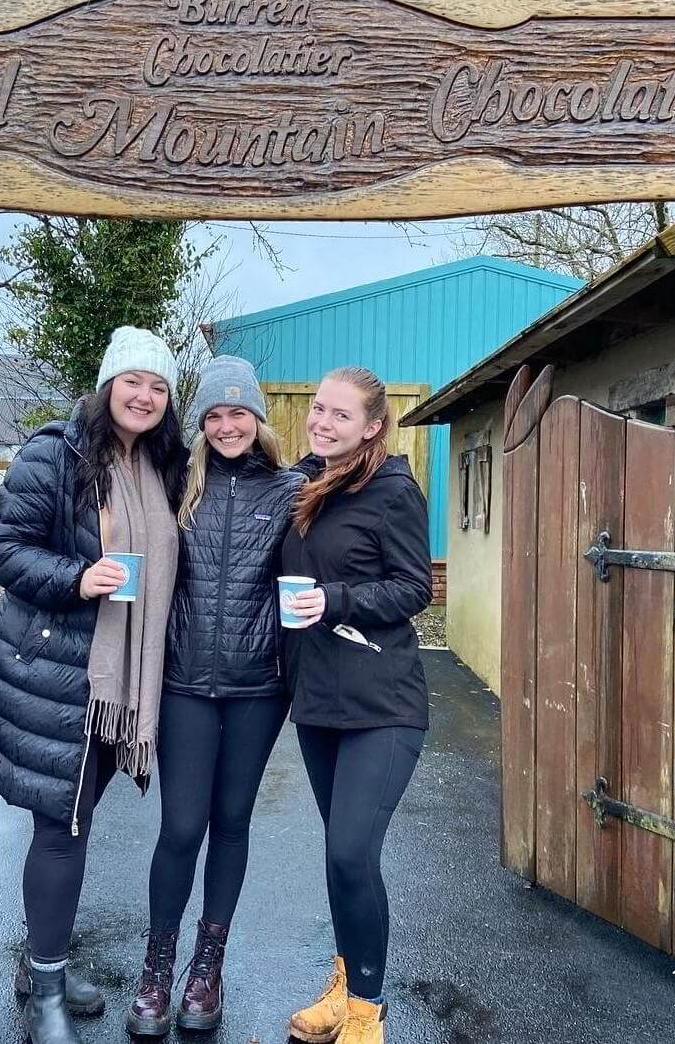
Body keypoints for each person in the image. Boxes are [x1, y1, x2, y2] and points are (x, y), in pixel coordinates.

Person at [0, 326, 188, 1044]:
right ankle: (44, 995)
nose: (144, 395)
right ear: (106, 385)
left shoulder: (158, 466)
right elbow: (4, 547)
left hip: (116, 682)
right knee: (61, 828)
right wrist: (76, 577)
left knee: (76, 821)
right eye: (133, 381)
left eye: (158, 386)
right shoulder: (55, 454)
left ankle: (46, 966)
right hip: (58, 674)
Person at [127, 356, 304, 1036]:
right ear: (200, 424)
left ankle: (207, 966)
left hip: (259, 687)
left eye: (239, 412)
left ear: (257, 420)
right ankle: (155, 965)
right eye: (214, 414)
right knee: (179, 827)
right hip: (183, 684)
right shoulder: (178, 484)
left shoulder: (292, 489)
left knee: (231, 821)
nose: (227, 424)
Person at [281, 366, 432, 1044]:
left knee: (350, 852)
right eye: (318, 408)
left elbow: (411, 588)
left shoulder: (393, 489)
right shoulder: (305, 480)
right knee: (341, 855)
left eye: (340, 415)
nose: (322, 420)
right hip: (318, 701)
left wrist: (336, 598)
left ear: (373, 426)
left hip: (382, 702)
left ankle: (367, 1009)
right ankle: (344, 986)